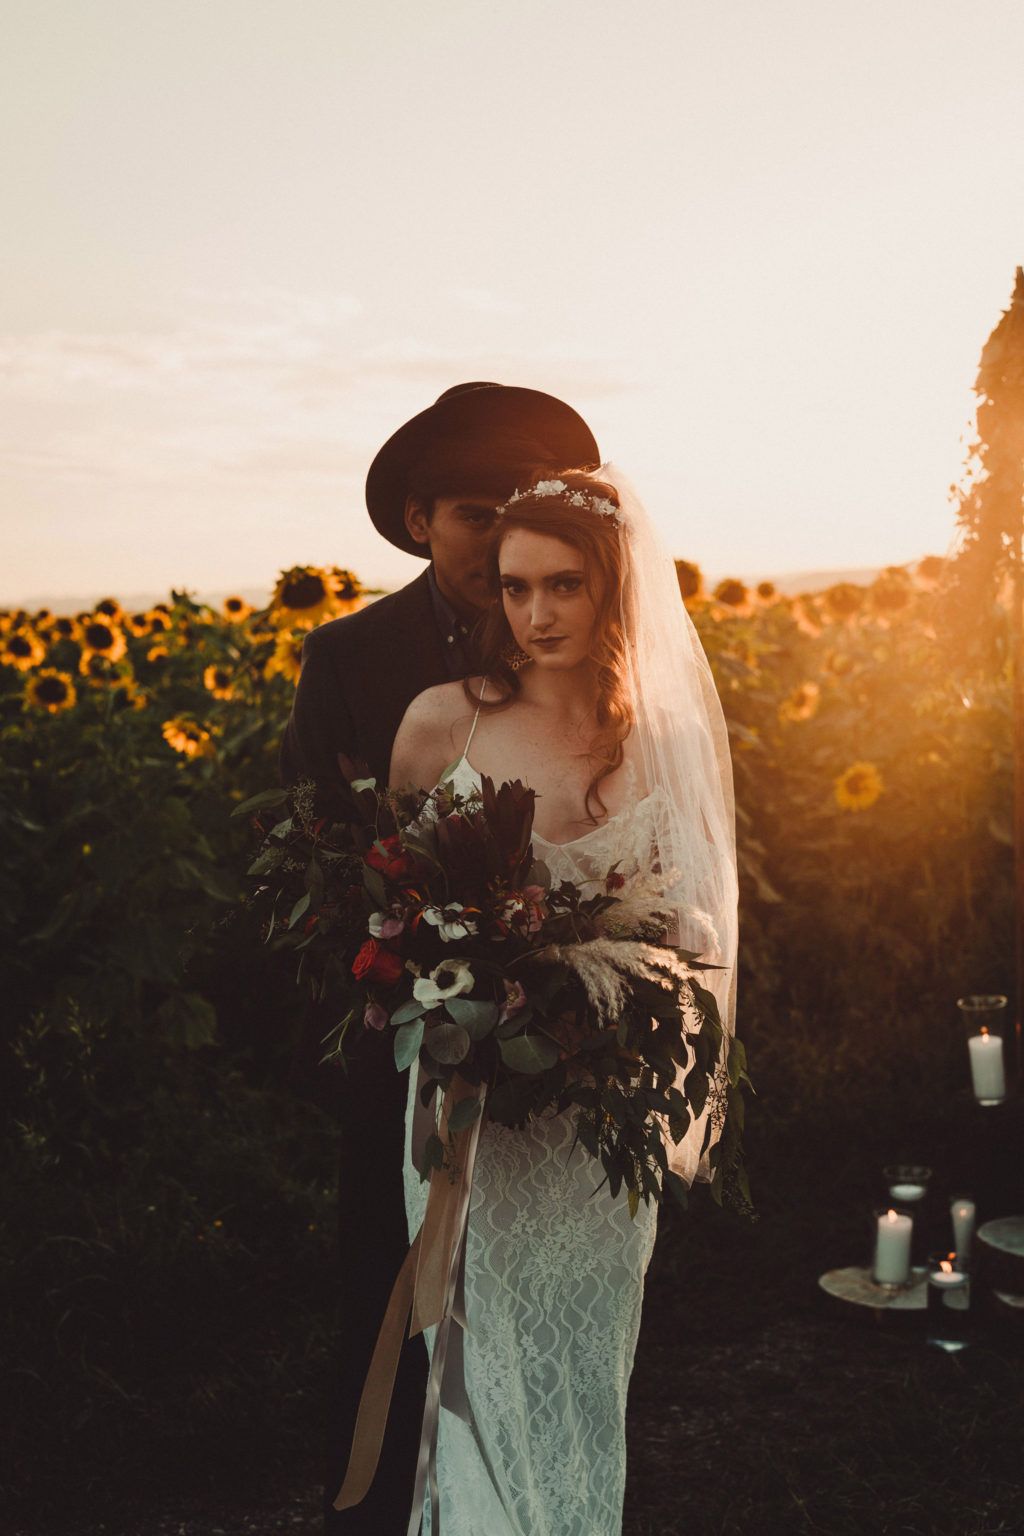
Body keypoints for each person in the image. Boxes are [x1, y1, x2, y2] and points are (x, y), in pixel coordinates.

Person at [387, 468, 739, 1536]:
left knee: (582, 1363)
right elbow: (395, 911)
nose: (534, 614)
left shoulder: (662, 745)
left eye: (563, 586)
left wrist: (600, 995)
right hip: (469, 1108)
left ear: (614, 590)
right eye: (512, 587)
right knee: (475, 1353)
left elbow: (698, 943)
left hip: (599, 1121)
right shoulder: (439, 725)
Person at [279, 383, 600, 1536]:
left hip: (570, 1049)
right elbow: (316, 859)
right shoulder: (355, 659)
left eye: (522, 514)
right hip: (406, 1044)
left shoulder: (597, 660)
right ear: (418, 520)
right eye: (476, 514)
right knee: (394, 1293)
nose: (502, 542)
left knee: (542, 1312)